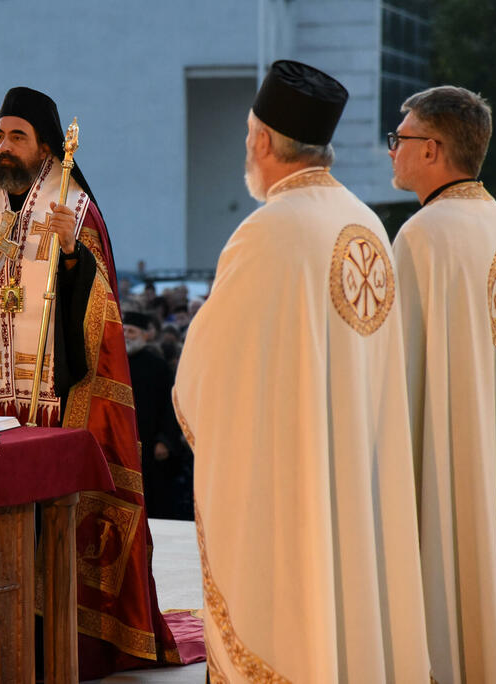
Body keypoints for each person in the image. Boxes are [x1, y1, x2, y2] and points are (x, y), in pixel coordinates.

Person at [173, 61, 430, 682]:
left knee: (296, 607)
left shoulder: (268, 230)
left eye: (247, 136)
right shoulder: (366, 222)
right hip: (360, 463)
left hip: (294, 475)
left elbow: (208, 365)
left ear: (263, 141)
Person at [0, 86, 180, 677]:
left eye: (17, 136)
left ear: (44, 146)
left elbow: (100, 314)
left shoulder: (76, 209)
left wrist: (71, 254)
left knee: (53, 529)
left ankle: (59, 637)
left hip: (55, 404)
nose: (4, 146)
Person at [389, 86, 496, 683]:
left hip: (451, 453)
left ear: (432, 149)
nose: (393, 150)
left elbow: (395, 373)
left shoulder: (424, 234)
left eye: (400, 138)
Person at [122, 311, 190, 520]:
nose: (126, 336)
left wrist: (165, 440)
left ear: (145, 335)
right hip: (123, 439)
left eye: (132, 332)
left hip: (151, 443)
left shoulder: (158, 365)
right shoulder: (114, 364)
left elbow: (171, 405)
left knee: (153, 497)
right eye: (124, 330)